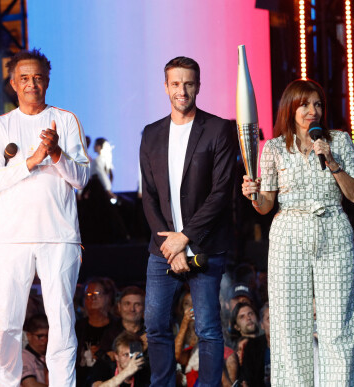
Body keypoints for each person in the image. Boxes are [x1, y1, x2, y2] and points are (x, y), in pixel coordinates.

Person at [242, 78, 354, 386]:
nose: (313, 110)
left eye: (318, 104)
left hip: (333, 229)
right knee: (289, 327)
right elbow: (266, 204)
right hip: (288, 234)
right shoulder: (274, 148)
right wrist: (253, 194)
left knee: (337, 325)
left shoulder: (339, 140)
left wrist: (331, 160)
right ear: (290, 107)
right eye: (305, 104)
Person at [0, 48, 90, 386]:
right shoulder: (1, 125)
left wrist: (56, 153)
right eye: (25, 78)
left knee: (61, 320)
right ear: (13, 83)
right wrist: (32, 159)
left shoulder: (66, 120)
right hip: (12, 238)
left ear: (47, 81)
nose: (32, 84)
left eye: (38, 78)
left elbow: (82, 178)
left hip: (59, 236)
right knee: (8, 323)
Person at [139, 56, 236, 386]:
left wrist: (187, 237)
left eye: (189, 83)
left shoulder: (219, 129)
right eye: (176, 83)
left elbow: (222, 192)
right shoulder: (151, 134)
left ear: (198, 85)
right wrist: (172, 243)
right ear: (166, 86)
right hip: (163, 248)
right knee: (154, 323)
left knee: (208, 327)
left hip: (206, 243)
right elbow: (148, 196)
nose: (182, 90)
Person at [21, 314, 49, 387]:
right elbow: (30, 384)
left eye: (48, 336)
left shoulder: (49, 355)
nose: (45, 340)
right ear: (29, 336)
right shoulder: (24, 357)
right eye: (40, 336)